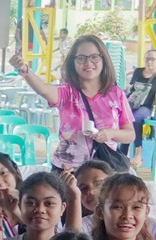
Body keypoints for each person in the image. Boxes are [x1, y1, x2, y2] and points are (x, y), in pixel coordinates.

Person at [11, 33, 135, 166]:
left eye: (94, 57)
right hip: (68, 171)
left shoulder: (116, 93)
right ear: (73, 63)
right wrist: (24, 69)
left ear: (104, 59)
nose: (88, 63)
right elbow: (43, 89)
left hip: (103, 172)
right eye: (81, 58)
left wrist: (110, 133)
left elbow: (130, 135)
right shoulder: (67, 92)